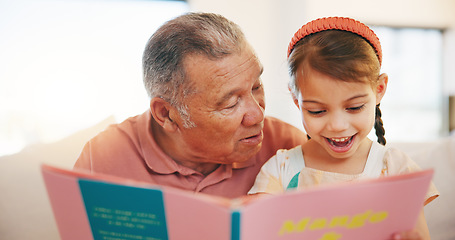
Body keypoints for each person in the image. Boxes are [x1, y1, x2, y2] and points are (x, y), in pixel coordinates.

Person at [73, 12, 307, 199]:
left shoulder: (289, 148)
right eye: (231, 103)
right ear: (166, 114)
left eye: (256, 86)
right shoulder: (102, 158)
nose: (257, 115)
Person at [248, 17, 439, 239]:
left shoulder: (397, 169)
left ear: (379, 89)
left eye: (354, 107)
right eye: (317, 111)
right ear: (297, 100)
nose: (338, 126)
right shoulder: (281, 169)